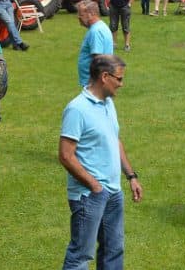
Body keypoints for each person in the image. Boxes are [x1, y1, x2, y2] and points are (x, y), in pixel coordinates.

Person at [59, 54, 143, 270]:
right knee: (80, 256)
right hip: (89, 195)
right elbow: (66, 155)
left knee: (114, 251)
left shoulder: (108, 104)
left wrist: (131, 176)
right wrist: (95, 186)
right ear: (105, 77)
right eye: (120, 79)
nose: (122, 84)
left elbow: (114, 139)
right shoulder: (77, 109)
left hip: (113, 193)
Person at [76, 0, 112, 87]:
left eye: (81, 15)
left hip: (93, 83)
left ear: (91, 14)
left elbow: (98, 60)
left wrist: (94, 84)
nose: (79, 17)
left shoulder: (95, 31)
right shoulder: (101, 26)